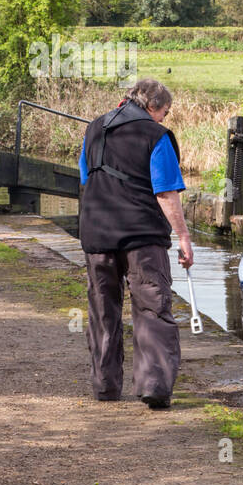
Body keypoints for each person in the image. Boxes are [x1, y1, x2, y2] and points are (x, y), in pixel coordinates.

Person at [78, 78, 194, 410]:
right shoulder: (156, 136)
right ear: (154, 107)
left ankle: (105, 386)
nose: (164, 120)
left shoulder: (94, 129)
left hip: (97, 233)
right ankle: (154, 387)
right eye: (165, 113)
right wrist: (184, 237)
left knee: (103, 310)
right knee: (152, 308)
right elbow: (166, 192)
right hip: (142, 237)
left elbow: (88, 181)